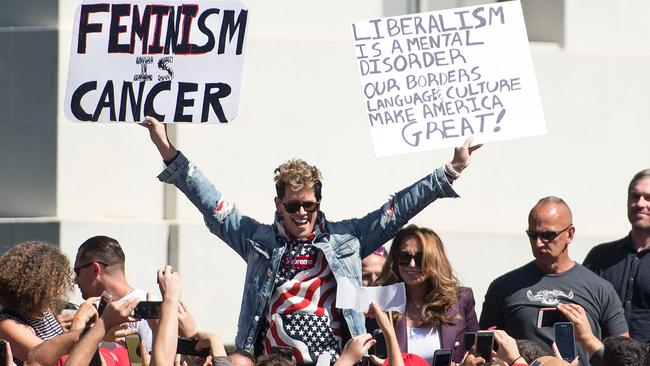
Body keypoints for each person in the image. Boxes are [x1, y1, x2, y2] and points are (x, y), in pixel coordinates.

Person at [140, 116, 480, 363]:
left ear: (319, 203)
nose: (301, 213)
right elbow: (212, 204)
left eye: (309, 205)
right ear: (278, 204)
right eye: (292, 206)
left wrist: (451, 170)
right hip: (275, 360)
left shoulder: (347, 237)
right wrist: (166, 147)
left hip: (335, 360)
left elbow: (397, 210)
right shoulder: (260, 240)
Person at [480, 196, 629, 366]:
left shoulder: (600, 289)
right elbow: (485, 352)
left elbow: (623, 357)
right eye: (532, 235)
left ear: (570, 234)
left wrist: (587, 339)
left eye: (548, 235)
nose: (538, 243)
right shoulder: (503, 287)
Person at [375, 224, 479, 364]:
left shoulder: (461, 299)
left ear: (434, 261)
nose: (411, 264)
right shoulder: (382, 302)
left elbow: (476, 351)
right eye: (404, 257)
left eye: (420, 259)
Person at [583, 169, 650, 345]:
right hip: (604, 359)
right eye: (634, 196)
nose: (640, 203)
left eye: (648, 197)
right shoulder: (600, 257)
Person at [72, 236, 154, 350]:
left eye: (77, 271)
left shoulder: (146, 309)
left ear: (96, 269)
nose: (75, 280)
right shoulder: (92, 311)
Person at [0, 241, 74, 365]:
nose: (61, 287)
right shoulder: (8, 323)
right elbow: (54, 360)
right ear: (39, 284)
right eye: (57, 281)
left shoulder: (43, 310)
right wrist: (80, 326)